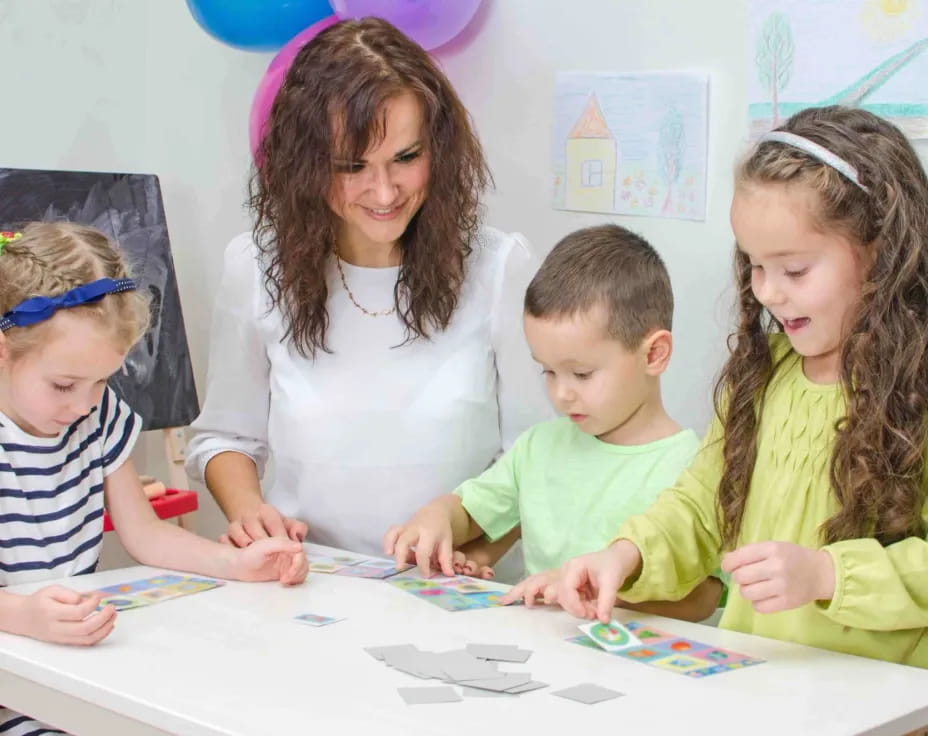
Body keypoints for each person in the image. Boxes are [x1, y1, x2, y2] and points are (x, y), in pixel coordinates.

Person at [541, 106, 928, 667]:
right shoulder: (764, 375)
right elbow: (702, 506)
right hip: (760, 688)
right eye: (753, 265)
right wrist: (624, 556)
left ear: (881, 254)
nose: (767, 292)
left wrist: (827, 574)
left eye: (794, 270)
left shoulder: (915, 389)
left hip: (884, 708)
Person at [185, 17, 550, 556]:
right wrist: (250, 515)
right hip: (306, 582)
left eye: (406, 157)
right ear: (303, 166)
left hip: (454, 592)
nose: (384, 191)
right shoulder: (256, 268)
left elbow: (536, 454)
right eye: (350, 166)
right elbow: (225, 437)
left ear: (440, 149)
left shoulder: (499, 267)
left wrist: (474, 559)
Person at [0, 223, 308, 734]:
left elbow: (144, 534)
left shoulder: (98, 417)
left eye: (101, 381)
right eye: (63, 384)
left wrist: (232, 563)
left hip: (66, 674)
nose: (83, 404)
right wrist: (21, 616)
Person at [385, 224, 722, 622]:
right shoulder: (539, 447)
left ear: (654, 354)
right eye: (547, 371)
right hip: (544, 659)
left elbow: (706, 596)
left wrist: (589, 593)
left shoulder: (696, 468)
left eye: (580, 374)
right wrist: (436, 519)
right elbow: (469, 512)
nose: (561, 393)